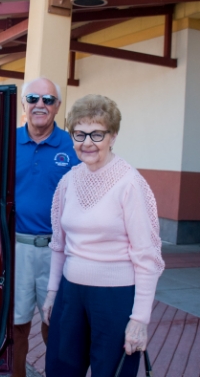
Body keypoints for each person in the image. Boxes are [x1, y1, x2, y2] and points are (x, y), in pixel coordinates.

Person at [42, 94, 164, 377]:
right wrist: (52, 293)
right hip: (70, 294)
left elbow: (147, 257)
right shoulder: (68, 180)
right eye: (80, 133)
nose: (87, 142)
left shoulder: (130, 183)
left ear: (113, 136)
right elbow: (59, 245)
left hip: (115, 299)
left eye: (97, 134)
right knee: (60, 370)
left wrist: (139, 319)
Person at [0, 77, 79, 377]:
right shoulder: (7, 144)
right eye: (33, 98)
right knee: (17, 328)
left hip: (58, 253)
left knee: (56, 329)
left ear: (57, 107)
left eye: (48, 100)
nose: (40, 105)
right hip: (17, 250)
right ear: (24, 105)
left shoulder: (72, 147)